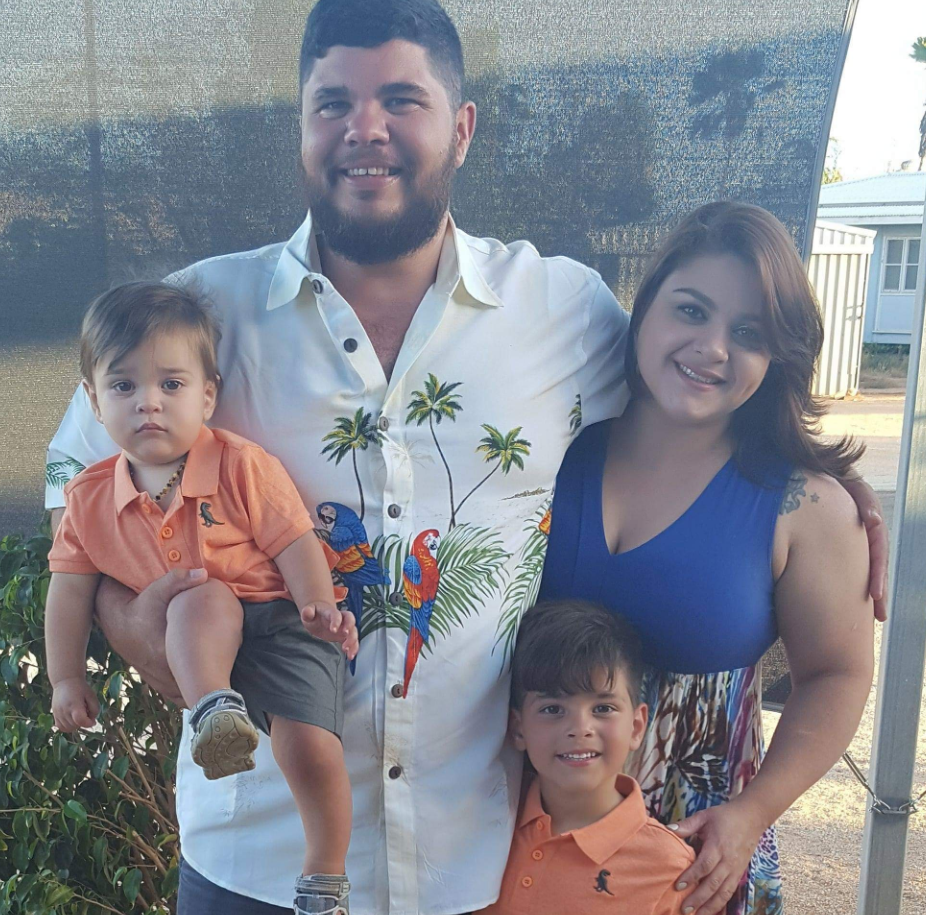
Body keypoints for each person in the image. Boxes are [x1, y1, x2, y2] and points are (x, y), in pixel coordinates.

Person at [44, 3, 886, 912]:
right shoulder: (198, 315)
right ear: (298, 126)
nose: (364, 129)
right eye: (333, 104)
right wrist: (135, 627)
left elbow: (692, 397)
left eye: (402, 100)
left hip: (470, 864)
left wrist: (824, 483)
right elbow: (74, 488)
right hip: (253, 859)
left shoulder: (562, 311)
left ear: (463, 128)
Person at [539, 202, 876, 915]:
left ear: (775, 356)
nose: (713, 346)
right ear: (646, 306)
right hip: (526, 848)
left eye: (748, 333)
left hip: (695, 868)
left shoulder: (803, 507)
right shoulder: (548, 453)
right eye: (691, 310)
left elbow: (837, 673)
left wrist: (752, 813)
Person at [45, 282, 359, 914]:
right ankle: (216, 710)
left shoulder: (241, 465)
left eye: (172, 384)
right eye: (124, 386)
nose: (149, 404)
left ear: (208, 394)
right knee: (200, 596)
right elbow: (68, 593)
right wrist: (65, 678)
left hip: (281, 619)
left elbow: (295, 539)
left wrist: (317, 604)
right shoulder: (87, 498)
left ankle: (324, 875)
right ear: (92, 400)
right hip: (203, 632)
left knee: (309, 745)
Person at [476, 599, 695, 915]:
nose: (579, 729)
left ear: (636, 726)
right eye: (553, 709)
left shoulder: (669, 870)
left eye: (603, 708)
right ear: (518, 728)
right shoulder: (481, 820)